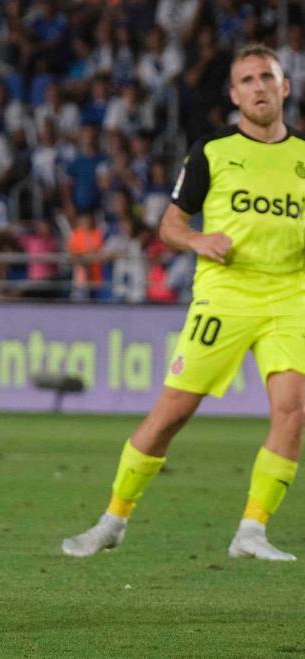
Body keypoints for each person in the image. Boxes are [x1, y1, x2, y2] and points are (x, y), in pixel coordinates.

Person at [62, 44, 305, 561]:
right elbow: (170, 225)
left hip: (290, 297)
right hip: (226, 297)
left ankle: (252, 531)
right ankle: (113, 519)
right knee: (171, 414)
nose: (259, 86)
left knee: (293, 410)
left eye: (268, 77)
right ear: (234, 95)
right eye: (248, 80)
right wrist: (198, 241)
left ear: (285, 87)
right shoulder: (212, 151)